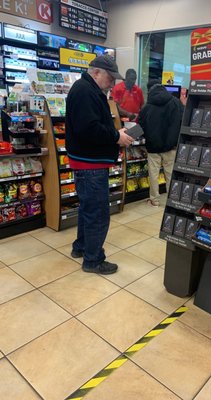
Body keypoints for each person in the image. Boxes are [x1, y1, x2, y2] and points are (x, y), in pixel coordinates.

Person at [65, 55, 134, 275]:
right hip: (90, 165)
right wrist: (116, 137)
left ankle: (82, 247)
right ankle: (93, 260)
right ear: (96, 72)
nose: (112, 83)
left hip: (87, 163)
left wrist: (116, 133)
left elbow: (91, 125)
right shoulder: (85, 91)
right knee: (98, 213)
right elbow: (89, 128)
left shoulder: (86, 89)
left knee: (88, 209)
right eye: (110, 77)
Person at [139, 79, 183, 207]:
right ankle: (172, 200)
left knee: (153, 174)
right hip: (171, 146)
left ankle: (154, 200)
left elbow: (141, 126)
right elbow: (183, 120)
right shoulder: (176, 103)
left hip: (153, 147)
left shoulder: (147, 107)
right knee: (170, 174)